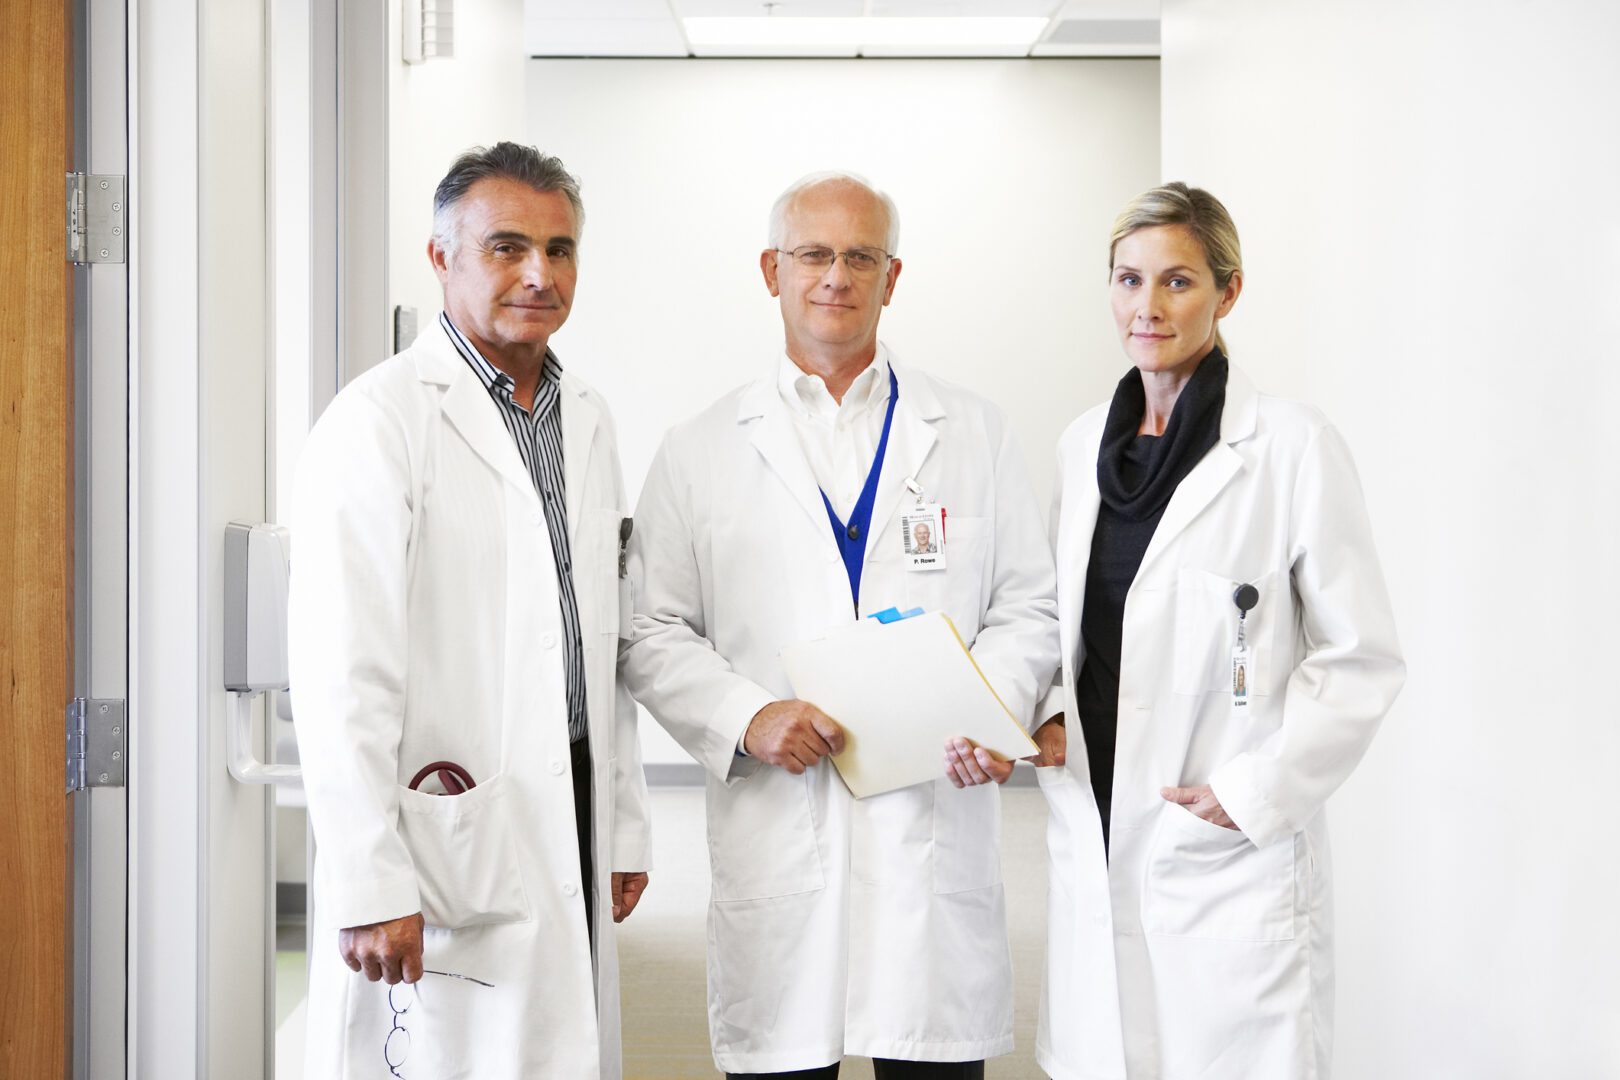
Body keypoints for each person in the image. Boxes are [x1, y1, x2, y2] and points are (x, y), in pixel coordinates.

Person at [620, 171, 1060, 1079]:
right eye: (813, 254)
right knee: (786, 1052)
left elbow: (1030, 603)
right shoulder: (699, 448)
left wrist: (991, 711)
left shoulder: (973, 432)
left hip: (931, 815)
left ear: (892, 277)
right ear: (771, 270)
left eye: (861, 256)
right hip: (785, 819)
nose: (836, 276)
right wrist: (748, 716)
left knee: (929, 1057)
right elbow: (650, 627)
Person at [1025, 182, 1405, 1078]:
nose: (1146, 307)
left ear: (1227, 293)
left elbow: (1362, 656)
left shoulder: (1291, 446)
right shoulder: (1082, 448)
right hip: (1100, 803)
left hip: (1223, 834)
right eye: (1127, 279)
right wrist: (1045, 710)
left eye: (1178, 282)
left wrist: (1258, 789)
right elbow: (1068, 625)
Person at [288, 143, 652, 1080]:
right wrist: (369, 877)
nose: (540, 273)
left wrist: (622, 823)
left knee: (557, 1046)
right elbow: (342, 676)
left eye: (561, 249)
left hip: (568, 802)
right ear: (441, 257)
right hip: (441, 829)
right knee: (450, 1054)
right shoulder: (379, 422)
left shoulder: (589, 417)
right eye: (507, 246)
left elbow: (596, 641)